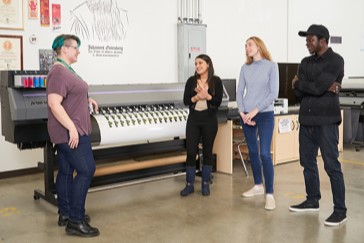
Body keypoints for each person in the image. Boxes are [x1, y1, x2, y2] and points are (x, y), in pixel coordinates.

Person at [289, 24, 347, 227]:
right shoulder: (305, 62)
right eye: (306, 40)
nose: (307, 43)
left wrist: (302, 83)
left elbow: (312, 87)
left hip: (326, 122)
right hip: (306, 121)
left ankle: (340, 210)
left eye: (310, 39)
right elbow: (299, 92)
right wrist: (314, 87)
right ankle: (312, 200)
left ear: (323, 41)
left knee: (332, 165)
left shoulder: (336, 60)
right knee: (307, 163)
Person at [47, 34, 100, 237]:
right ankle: (76, 221)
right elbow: (54, 103)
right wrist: (71, 128)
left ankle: (66, 214)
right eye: (75, 48)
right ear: (64, 49)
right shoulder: (58, 72)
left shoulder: (65, 70)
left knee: (67, 171)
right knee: (87, 170)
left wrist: (87, 99)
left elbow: (70, 94)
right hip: (70, 131)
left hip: (70, 130)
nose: (78, 51)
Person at [236, 36, 279, 210]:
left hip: (265, 114)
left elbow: (273, 94)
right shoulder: (245, 68)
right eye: (245, 46)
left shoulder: (271, 66)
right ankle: (257, 186)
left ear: (259, 46)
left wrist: (254, 111)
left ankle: (270, 194)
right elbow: (239, 92)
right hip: (246, 115)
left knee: (264, 154)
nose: (247, 48)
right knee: (252, 152)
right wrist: (242, 112)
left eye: (250, 44)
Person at [180, 54, 223, 197]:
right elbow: (186, 101)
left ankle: (205, 185)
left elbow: (217, 101)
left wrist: (207, 96)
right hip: (194, 120)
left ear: (208, 65)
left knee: (207, 152)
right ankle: (189, 185)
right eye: (196, 63)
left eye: (200, 63)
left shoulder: (216, 81)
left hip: (209, 120)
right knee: (191, 152)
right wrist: (196, 97)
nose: (197, 66)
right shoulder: (191, 81)